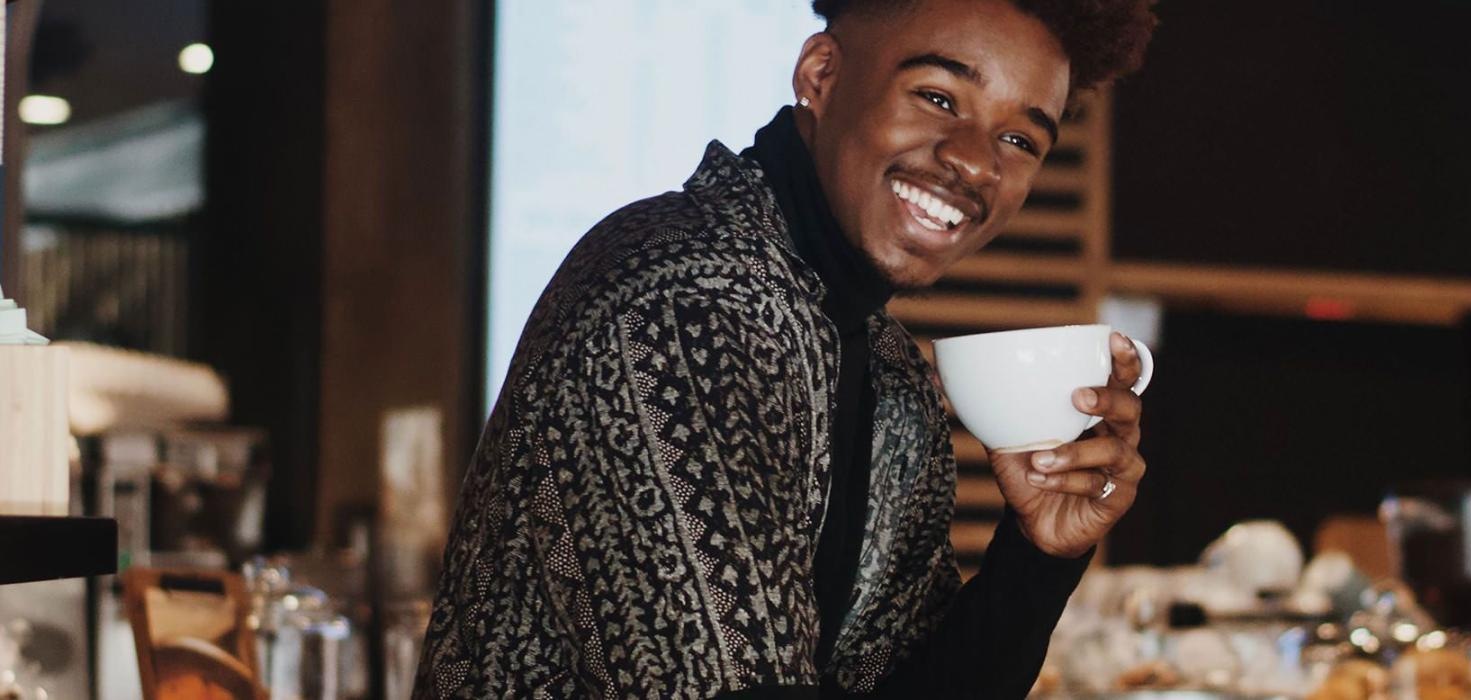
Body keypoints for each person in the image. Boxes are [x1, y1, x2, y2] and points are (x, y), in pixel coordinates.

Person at [416, 0, 1157, 697]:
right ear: (821, 75)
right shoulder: (676, 301)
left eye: (1019, 139)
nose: (975, 162)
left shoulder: (888, 371)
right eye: (938, 97)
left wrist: (1036, 557)